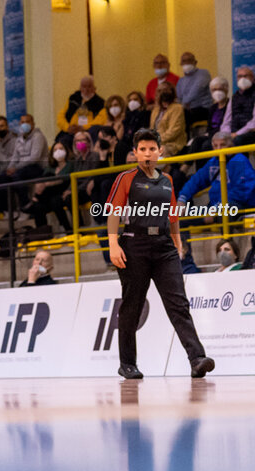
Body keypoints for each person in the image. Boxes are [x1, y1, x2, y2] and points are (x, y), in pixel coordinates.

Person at [107, 128, 216, 380]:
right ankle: (127, 363)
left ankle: (197, 358)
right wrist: (113, 244)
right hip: (134, 245)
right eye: (142, 149)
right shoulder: (126, 178)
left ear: (160, 151)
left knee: (179, 303)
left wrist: (177, 242)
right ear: (135, 153)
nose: (147, 154)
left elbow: (173, 214)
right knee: (132, 306)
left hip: (164, 247)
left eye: (151, 149)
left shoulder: (167, 180)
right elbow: (113, 213)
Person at [177, 131, 255, 213]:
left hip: (236, 205)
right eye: (215, 146)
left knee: (216, 215)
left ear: (231, 145)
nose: (218, 149)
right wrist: (182, 198)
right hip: (216, 206)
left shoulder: (240, 160)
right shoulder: (213, 162)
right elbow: (196, 180)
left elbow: (241, 191)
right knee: (179, 216)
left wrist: (219, 206)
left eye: (222, 145)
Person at [56, 75, 107, 145]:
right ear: (80, 88)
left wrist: (83, 128)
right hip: (70, 131)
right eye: (84, 86)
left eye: (89, 86)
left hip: (88, 132)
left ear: (94, 88)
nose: (86, 89)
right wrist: (67, 127)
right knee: (61, 142)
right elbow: (61, 115)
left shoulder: (100, 103)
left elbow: (101, 120)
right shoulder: (73, 98)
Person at [176, 52, 212, 131]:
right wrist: (182, 105)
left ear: (195, 62)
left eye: (189, 60)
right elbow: (178, 98)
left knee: (182, 115)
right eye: (184, 61)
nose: (186, 63)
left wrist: (183, 104)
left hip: (203, 109)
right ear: (181, 63)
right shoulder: (181, 81)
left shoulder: (203, 74)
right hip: (187, 110)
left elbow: (195, 92)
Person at [149, 82, 186, 157]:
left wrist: (156, 140)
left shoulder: (177, 108)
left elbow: (174, 131)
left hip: (173, 144)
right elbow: (152, 129)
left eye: (165, 90)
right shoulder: (155, 110)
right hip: (156, 143)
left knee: (160, 152)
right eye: (160, 91)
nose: (162, 93)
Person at [222, 67, 255, 146]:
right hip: (234, 133)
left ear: (252, 78)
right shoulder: (234, 97)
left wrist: (237, 134)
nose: (242, 79)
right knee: (210, 143)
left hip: (249, 133)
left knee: (237, 141)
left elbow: (253, 124)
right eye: (240, 76)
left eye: (246, 76)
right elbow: (226, 121)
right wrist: (226, 135)